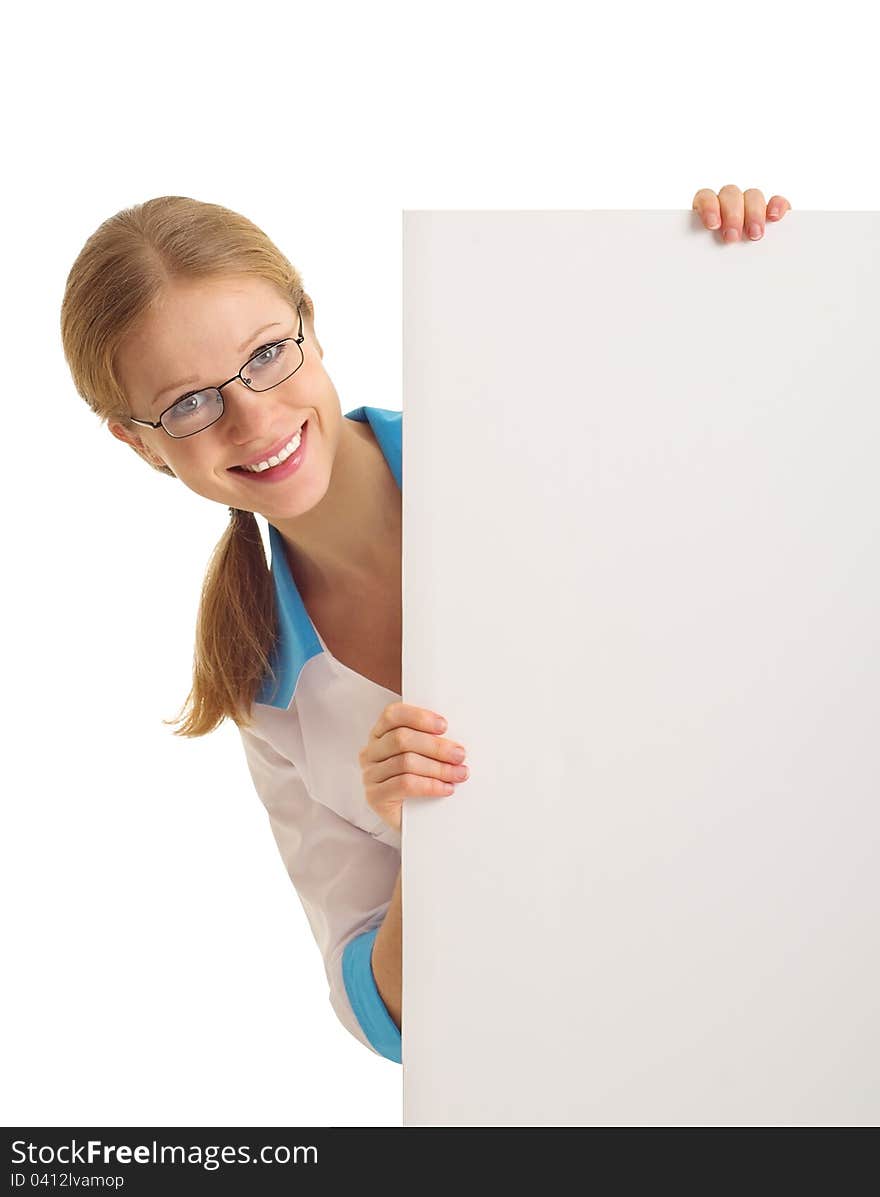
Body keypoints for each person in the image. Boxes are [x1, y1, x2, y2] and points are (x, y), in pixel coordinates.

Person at [59, 185, 791, 1065]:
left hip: (774, 933)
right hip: (588, 1055)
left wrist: (732, 269)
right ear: (138, 443)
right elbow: (386, 1018)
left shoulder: (524, 445)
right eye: (187, 404)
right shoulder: (263, 691)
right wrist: (432, 844)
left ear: (312, 325)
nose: (253, 418)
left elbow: (743, 500)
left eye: (266, 355)